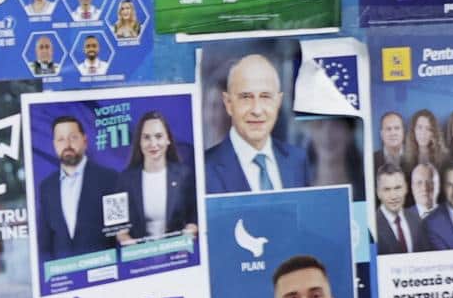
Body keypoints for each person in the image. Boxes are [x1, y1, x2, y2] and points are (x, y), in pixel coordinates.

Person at [205, 54, 310, 193]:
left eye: (265, 97)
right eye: (246, 97)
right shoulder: (203, 168)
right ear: (229, 104)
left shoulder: (297, 160)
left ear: (278, 102)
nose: (257, 110)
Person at [35, 114, 122, 263]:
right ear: (54, 144)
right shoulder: (47, 187)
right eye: (61, 139)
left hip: (104, 272)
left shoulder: (110, 179)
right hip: (64, 277)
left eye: (73, 137)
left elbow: (120, 234)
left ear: (85, 141)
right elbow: (45, 243)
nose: (67, 144)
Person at [118, 110, 197, 244]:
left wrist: (190, 231)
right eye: (146, 137)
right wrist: (127, 242)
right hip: (139, 257)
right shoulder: (124, 180)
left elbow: (195, 218)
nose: (153, 144)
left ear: (168, 140)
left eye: (159, 136)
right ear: (139, 142)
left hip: (178, 255)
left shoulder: (185, 175)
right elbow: (119, 228)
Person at [373, 163, 429, 255]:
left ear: (406, 188)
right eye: (387, 189)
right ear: (378, 193)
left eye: (397, 188)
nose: (393, 196)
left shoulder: (417, 220)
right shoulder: (372, 226)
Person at [408, 109, 447, 175]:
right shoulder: (406, 157)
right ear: (413, 130)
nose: (423, 133)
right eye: (419, 127)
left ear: (433, 132)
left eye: (428, 129)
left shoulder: (444, 158)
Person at [373, 111, 408, 179]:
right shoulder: (372, 160)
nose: (393, 133)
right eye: (388, 129)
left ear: (403, 132)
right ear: (382, 134)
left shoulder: (415, 157)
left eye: (397, 128)